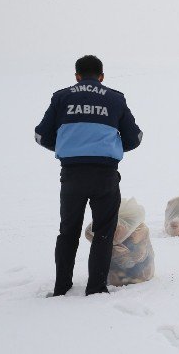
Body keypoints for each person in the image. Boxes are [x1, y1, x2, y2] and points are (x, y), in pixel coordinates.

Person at [35, 55, 143, 296]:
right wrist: (109, 147)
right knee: (104, 232)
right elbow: (134, 138)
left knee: (68, 231)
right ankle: (96, 288)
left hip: (72, 174)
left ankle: (62, 287)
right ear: (102, 76)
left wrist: (66, 146)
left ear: (77, 76)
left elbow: (41, 135)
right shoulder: (115, 98)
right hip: (105, 174)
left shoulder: (61, 97)